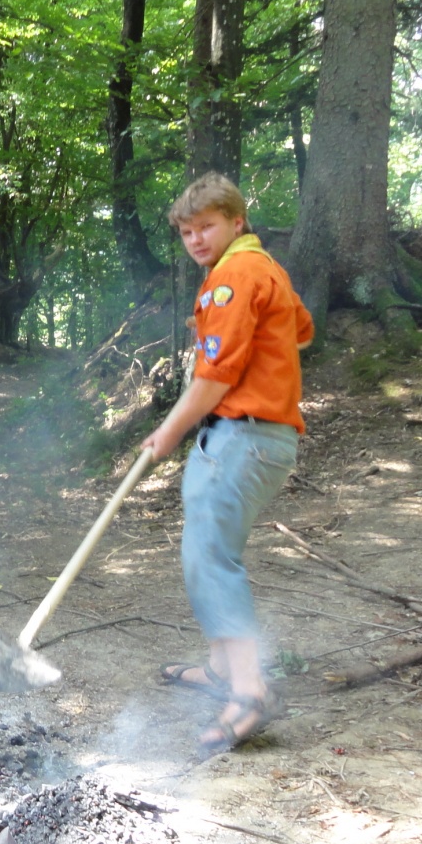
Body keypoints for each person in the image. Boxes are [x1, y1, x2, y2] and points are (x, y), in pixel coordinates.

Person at [141, 173, 313, 759]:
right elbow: (302, 328)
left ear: (236, 221)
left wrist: (169, 430)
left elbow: (217, 378)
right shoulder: (262, 269)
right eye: (187, 232)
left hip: (245, 434)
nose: (194, 239)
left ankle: (248, 691)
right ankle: (221, 668)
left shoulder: (236, 275)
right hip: (256, 437)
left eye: (206, 226)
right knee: (204, 545)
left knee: (211, 555)